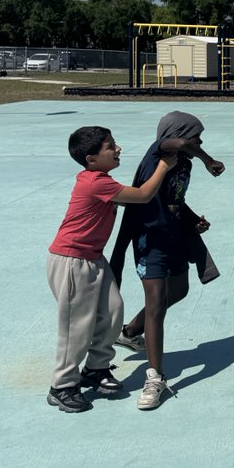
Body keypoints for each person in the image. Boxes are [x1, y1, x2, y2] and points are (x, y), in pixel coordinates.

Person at [46, 127, 176, 412]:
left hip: (93, 258)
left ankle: (96, 368)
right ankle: (62, 385)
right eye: (110, 146)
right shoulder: (95, 182)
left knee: (114, 311)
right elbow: (143, 195)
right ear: (91, 159)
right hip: (72, 261)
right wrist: (163, 166)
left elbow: (134, 198)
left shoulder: (103, 180)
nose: (118, 149)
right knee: (77, 325)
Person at [111, 111, 226, 410]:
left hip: (174, 235)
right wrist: (208, 159)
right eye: (196, 136)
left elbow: (174, 199)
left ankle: (130, 332)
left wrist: (193, 219)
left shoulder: (183, 163)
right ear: (179, 136)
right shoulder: (157, 152)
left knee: (179, 290)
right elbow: (180, 143)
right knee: (157, 301)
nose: (200, 142)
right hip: (150, 239)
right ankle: (155, 377)